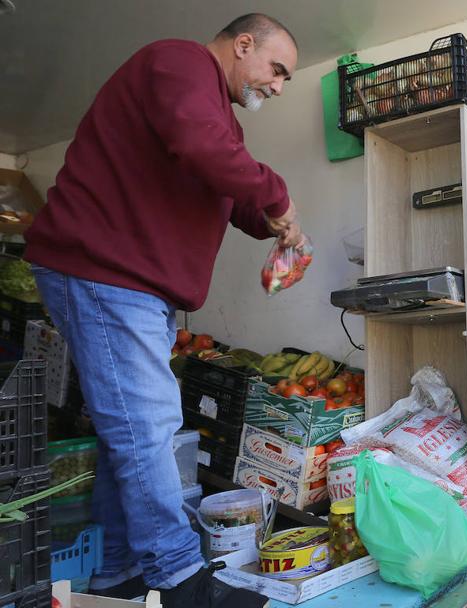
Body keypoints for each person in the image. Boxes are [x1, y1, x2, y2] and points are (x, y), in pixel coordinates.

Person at [24, 13, 305, 608]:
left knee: (125, 429)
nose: (279, 86)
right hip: (104, 273)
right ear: (243, 43)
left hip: (134, 287)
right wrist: (275, 193)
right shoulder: (178, 62)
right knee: (147, 428)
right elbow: (204, 151)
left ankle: (118, 573)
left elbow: (226, 189)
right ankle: (181, 579)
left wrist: (275, 224)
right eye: (277, 70)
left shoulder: (215, 116)